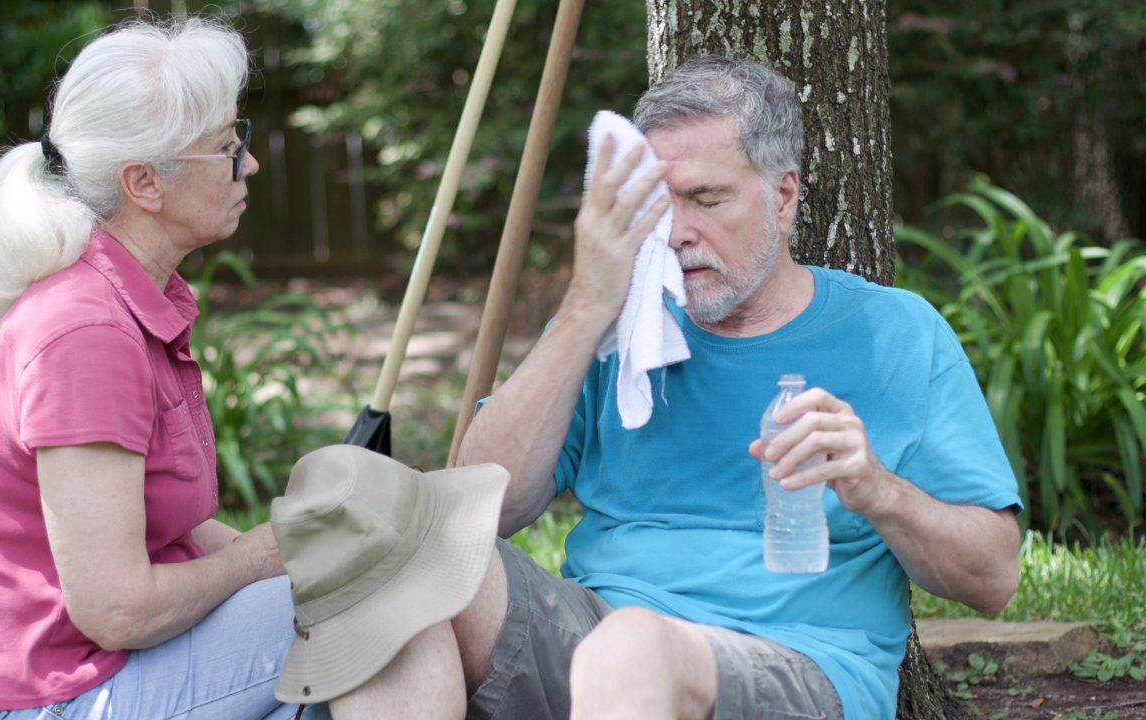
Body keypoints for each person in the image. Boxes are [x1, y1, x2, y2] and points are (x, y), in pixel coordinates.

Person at [318, 56, 1023, 719]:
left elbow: (991, 579)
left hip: (795, 661)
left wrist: (878, 489)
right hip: (594, 645)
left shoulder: (895, 332)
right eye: (656, 204)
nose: (677, 232)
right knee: (401, 544)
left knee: (635, 645)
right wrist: (589, 307)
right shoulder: (621, 327)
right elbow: (478, 509)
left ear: (783, 197)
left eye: (707, 200)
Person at [0, 17, 304, 720]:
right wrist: (254, 563)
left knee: (361, 591)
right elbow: (116, 610)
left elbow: (166, 522)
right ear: (144, 182)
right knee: (373, 604)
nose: (250, 165)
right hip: (67, 698)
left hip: (126, 668)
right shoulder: (85, 333)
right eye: (228, 148)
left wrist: (291, 550)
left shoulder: (131, 298)